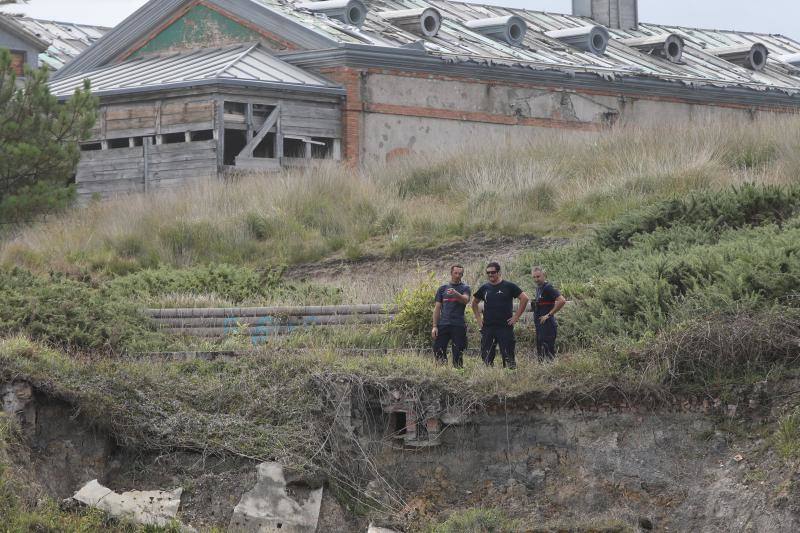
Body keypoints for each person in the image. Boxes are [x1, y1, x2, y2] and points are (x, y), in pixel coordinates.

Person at [471, 262, 529, 369]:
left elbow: (524, 298)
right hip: (488, 327)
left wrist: (516, 317)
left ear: (499, 272)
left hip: (505, 327)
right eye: (488, 273)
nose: (490, 275)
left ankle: (510, 377)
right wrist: (479, 319)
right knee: (487, 357)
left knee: (508, 356)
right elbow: (474, 303)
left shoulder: (509, 286)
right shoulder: (484, 288)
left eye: (493, 272)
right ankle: (489, 377)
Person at [432, 265, 471, 368]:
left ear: (462, 275)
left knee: (458, 352)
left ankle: (458, 372)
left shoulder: (465, 288)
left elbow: (466, 300)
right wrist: (435, 326)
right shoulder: (442, 289)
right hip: (443, 324)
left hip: (458, 325)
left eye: (460, 274)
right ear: (451, 273)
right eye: (456, 273)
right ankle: (442, 371)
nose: (458, 275)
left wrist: (455, 294)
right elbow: (437, 308)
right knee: (438, 349)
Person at [531, 266, 566, 360]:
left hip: (548, 325)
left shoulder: (548, 287)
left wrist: (549, 315)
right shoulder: (539, 288)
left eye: (538, 276)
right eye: (534, 277)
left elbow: (562, 300)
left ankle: (551, 372)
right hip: (540, 325)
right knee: (541, 353)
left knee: (548, 354)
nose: (536, 279)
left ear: (544, 275)